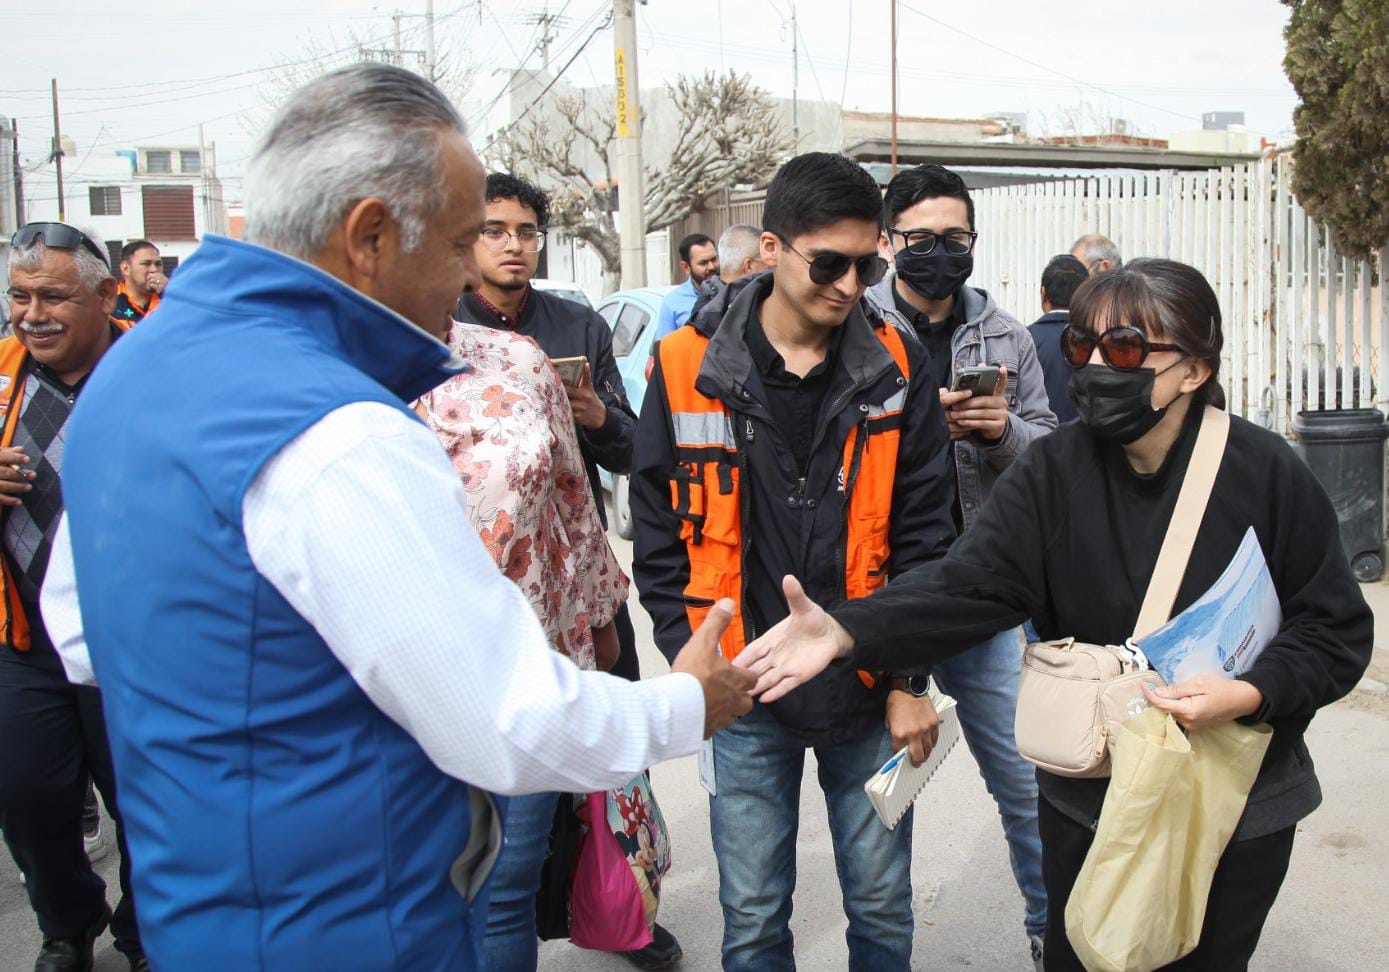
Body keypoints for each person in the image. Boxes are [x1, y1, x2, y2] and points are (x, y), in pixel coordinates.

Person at [40, 63, 754, 971]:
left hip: (202, 911)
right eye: (458, 243)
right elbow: (506, 720)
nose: (464, 275)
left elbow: (81, 633)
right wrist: (689, 703)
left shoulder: (131, 375)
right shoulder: (338, 432)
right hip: (352, 923)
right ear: (369, 235)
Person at [735, 258, 1373, 972]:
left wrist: (1250, 692)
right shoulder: (1054, 468)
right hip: (1090, 790)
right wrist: (847, 628)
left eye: (1124, 348)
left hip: (1230, 797)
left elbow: (1333, 630)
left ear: (1193, 370)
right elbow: (969, 585)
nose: (1095, 366)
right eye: (1081, 345)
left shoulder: (1266, 471)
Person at [632, 152, 956, 971]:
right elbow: (656, 531)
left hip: (865, 679)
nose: (849, 285)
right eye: (828, 263)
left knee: (880, 907)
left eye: (866, 266)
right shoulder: (683, 365)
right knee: (751, 916)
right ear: (771, 248)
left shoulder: (897, 361)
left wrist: (907, 678)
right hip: (739, 689)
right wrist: (687, 654)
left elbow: (926, 533)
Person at [446, 170, 682, 971]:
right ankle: (528, 908)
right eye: (494, 230)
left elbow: (632, 449)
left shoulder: (574, 323)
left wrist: (596, 415)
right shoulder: (441, 327)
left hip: (577, 573)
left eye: (525, 231)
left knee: (611, 755)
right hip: (494, 591)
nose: (512, 246)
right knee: (508, 811)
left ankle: (627, 906)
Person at [866, 162, 1054, 967]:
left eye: (954, 238)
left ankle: (1052, 934)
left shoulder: (1007, 336)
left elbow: (1050, 454)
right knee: (882, 801)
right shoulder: (857, 325)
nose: (938, 254)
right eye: (920, 240)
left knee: (1027, 784)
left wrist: (999, 430)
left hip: (982, 593)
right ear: (887, 242)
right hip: (882, 594)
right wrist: (915, 429)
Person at [1, 222, 147, 972]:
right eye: (19, 297)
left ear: (105, 294)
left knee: (147, 803)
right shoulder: (0, 372)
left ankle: (146, 932)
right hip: (21, 639)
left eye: (53, 297)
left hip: (134, 642)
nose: (33, 315)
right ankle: (67, 926)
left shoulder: (156, 371)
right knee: (25, 795)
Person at [1029, 254, 1090, 424]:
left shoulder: (1022, 339)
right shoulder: (1099, 342)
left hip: (1037, 438)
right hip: (1086, 438)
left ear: (1043, 293)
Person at [653, 233, 718, 338]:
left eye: (714, 259)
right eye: (703, 263)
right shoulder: (672, 303)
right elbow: (665, 346)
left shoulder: (732, 291)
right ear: (686, 267)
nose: (711, 267)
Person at [111, 240, 164, 323]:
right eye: (146, 263)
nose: (154, 270)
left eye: (158, 264)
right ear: (125, 268)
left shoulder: (171, 300)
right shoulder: (109, 303)